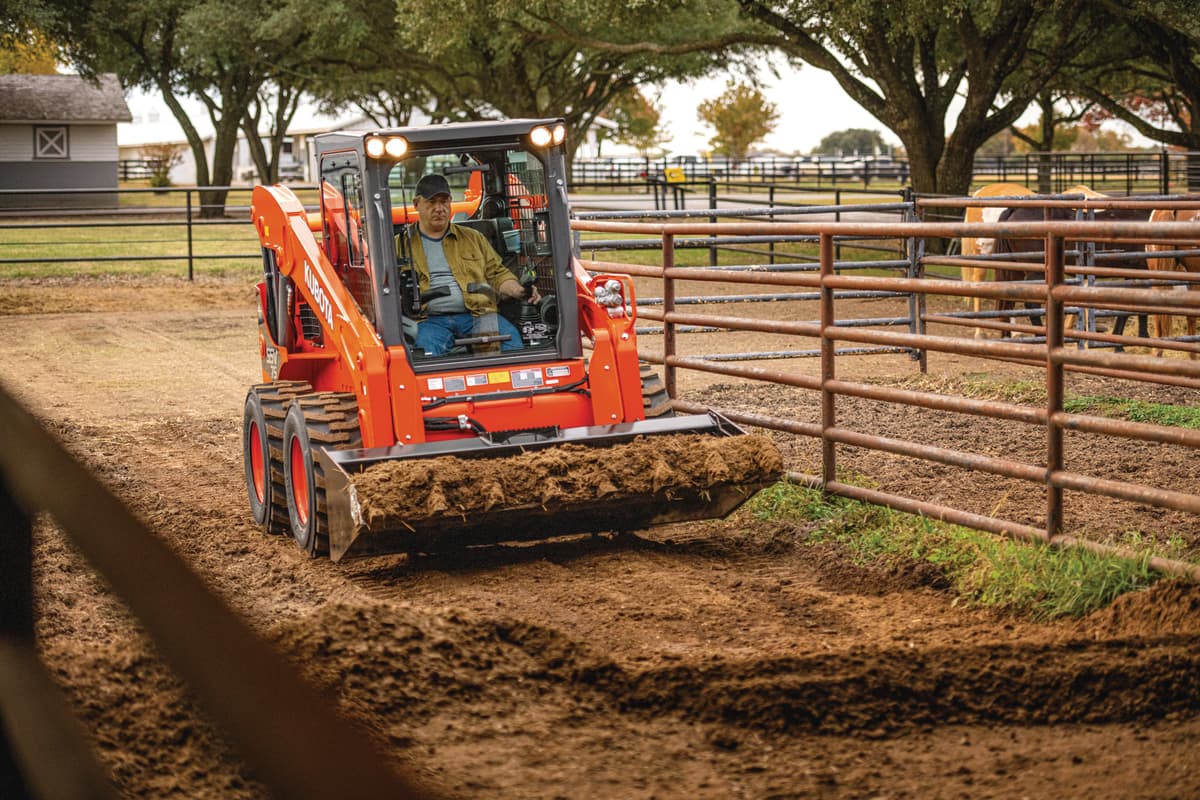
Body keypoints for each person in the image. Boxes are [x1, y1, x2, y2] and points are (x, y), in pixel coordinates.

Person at [403, 173, 537, 356]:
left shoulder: (473, 238)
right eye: (431, 202)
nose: (439, 208)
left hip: (477, 315)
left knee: (511, 342)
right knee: (424, 356)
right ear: (416, 204)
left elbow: (498, 274)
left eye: (444, 202)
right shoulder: (399, 245)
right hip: (428, 321)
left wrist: (520, 291)